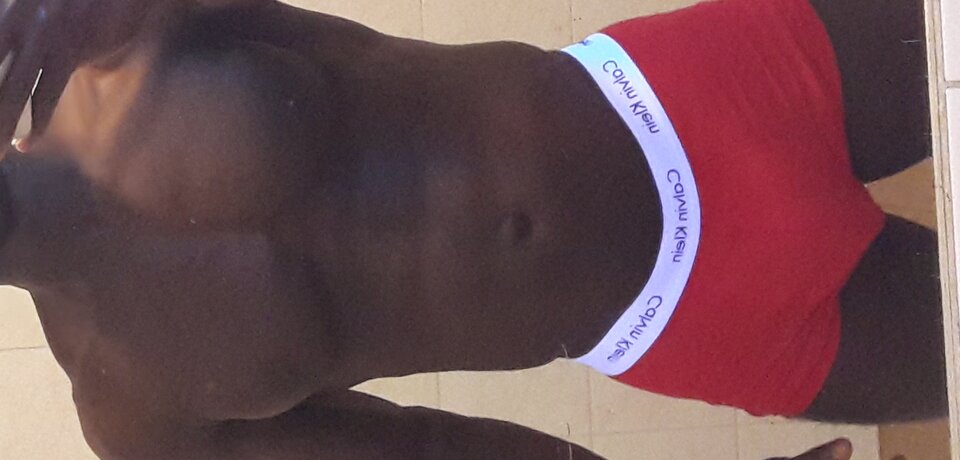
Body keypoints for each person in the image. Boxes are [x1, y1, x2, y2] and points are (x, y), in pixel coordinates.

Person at [0, 0, 946, 457]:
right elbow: (423, 458)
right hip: (696, 324)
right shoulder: (134, 416)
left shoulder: (99, 34)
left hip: (688, 92)